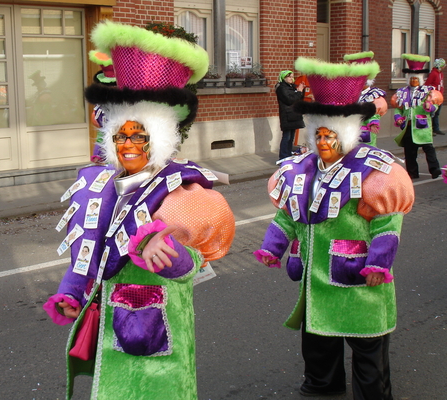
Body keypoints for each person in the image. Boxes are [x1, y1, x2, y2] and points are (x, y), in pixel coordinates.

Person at [43, 21, 235, 400]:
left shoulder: (185, 189)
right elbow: (88, 254)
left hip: (158, 324)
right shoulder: (97, 185)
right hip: (110, 326)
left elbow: (194, 264)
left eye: (139, 135)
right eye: (121, 135)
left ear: (160, 137)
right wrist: (71, 293)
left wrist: (167, 252)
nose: (128, 144)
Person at [254, 57, 415, 400]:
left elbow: (388, 221)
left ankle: (372, 394)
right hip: (316, 279)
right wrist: (273, 247)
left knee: (367, 345)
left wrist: (379, 263)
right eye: (319, 135)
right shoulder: (297, 169)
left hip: (358, 277)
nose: (324, 141)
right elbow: (287, 214)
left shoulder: (374, 170)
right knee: (319, 339)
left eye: (331, 135)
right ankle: (322, 385)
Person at [392, 53, 444, 179]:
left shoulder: (427, 92)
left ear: (420, 80)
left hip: (423, 127)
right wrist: (398, 118)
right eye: (411, 79)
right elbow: (398, 110)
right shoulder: (402, 93)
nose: (413, 81)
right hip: (408, 126)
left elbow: (435, 106)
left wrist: (430, 107)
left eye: (416, 79)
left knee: (429, 149)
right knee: (410, 152)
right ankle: (412, 172)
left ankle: (434, 169)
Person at [344, 51, 388, 147]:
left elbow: (375, 111)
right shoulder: (350, 94)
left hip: (365, 130)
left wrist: (373, 123)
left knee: (366, 152)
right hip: (349, 130)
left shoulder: (373, 95)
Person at [275, 70, 305, 159]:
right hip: (287, 115)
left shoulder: (292, 86)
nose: (291, 78)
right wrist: (298, 92)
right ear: (284, 78)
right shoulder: (281, 87)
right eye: (289, 77)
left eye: (292, 77)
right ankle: (283, 156)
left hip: (294, 114)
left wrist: (301, 90)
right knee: (286, 136)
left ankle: (288, 154)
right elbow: (289, 100)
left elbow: (299, 99)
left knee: (291, 137)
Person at [424, 58, 445, 136]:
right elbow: (427, 84)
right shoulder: (433, 73)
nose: (444, 67)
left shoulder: (440, 74)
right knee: (432, 113)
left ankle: (436, 129)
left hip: (439, 96)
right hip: (433, 97)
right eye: (443, 65)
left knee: (437, 113)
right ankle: (430, 129)